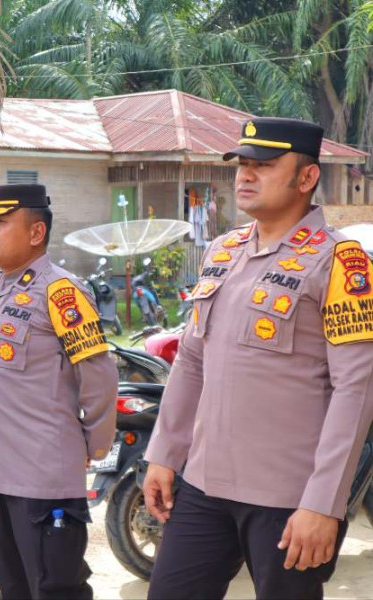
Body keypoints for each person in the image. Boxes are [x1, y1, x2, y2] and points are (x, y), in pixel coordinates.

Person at [143, 117, 373, 600]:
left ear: (307, 177)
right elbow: (192, 361)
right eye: (242, 164)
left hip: (288, 498)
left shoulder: (340, 262)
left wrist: (323, 503)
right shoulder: (222, 250)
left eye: (264, 165)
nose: (246, 175)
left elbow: (356, 389)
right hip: (204, 485)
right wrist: (164, 454)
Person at [0, 184, 118, 599]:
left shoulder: (60, 291)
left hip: (43, 476)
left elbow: (99, 376)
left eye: (0, 223)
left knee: (54, 588)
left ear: (36, 233)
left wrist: (93, 445)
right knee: (11, 585)